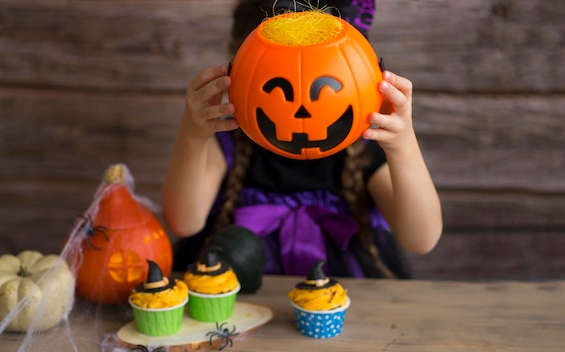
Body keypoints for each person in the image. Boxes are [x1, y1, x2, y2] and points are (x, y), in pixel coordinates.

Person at [161, 0, 442, 279]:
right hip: (243, 290)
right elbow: (183, 223)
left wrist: (402, 143)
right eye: (281, 85)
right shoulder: (230, 139)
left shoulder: (367, 142)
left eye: (323, 83)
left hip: (346, 293)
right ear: (240, 65)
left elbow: (421, 239)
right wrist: (193, 133)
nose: (302, 106)